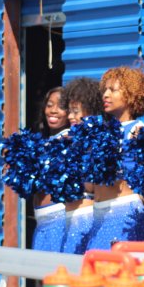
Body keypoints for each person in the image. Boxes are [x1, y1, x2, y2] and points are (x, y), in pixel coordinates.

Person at [86, 66, 144, 250]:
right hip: (98, 215)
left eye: (113, 90)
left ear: (131, 95)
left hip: (125, 215)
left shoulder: (139, 130)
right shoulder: (100, 132)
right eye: (105, 90)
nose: (105, 95)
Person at [59, 77, 103, 254]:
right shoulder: (67, 139)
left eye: (75, 111)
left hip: (87, 219)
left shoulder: (98, 141)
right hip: (69, 220)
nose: (70, 116)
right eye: (69, 111)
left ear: (91, 110)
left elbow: (92, 186)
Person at [31, 86, 70, 252]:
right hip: (42, 221)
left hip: (59, 221)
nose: (53, 110)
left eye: (61, 106)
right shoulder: (46, 141)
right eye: (49, 105)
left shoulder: (68, 139)